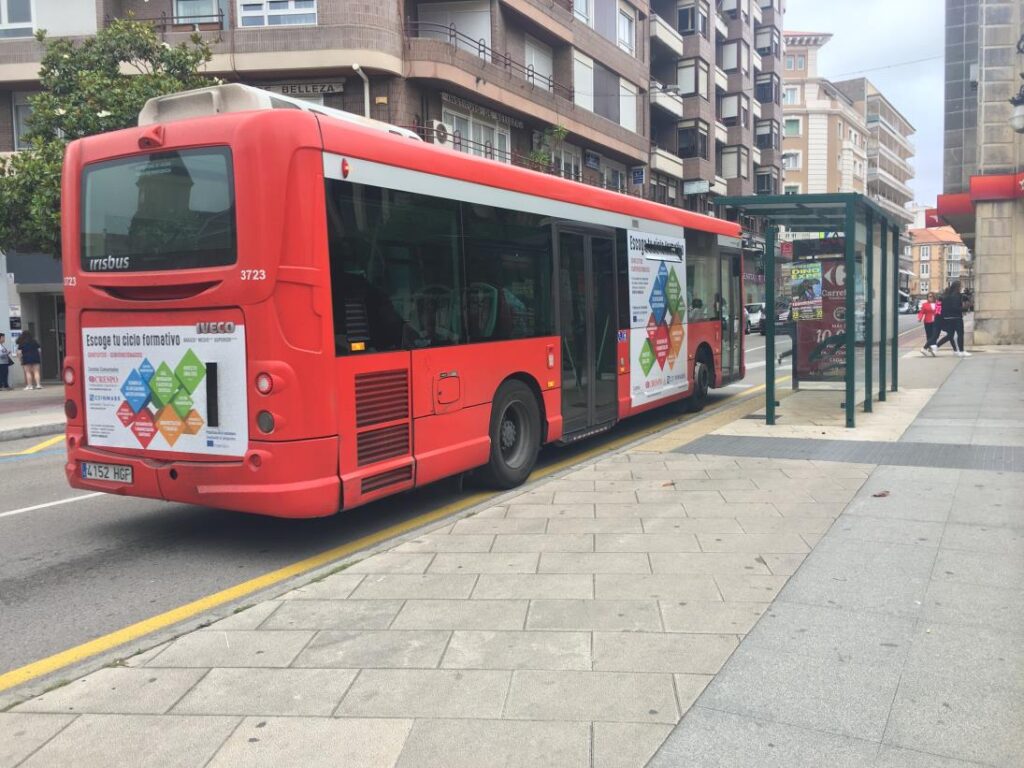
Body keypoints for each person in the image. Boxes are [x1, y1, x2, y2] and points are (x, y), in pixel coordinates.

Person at [936, 280, 970, 358]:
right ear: (957, 287)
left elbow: (944, 307)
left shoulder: (946, 295)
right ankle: (961, 351)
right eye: (960, 286)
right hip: (957, 318)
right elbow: (955, 308)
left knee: (950, 335)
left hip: (948, 318)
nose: (961, 287)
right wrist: (964, 308)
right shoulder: (957, 295)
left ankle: (935, 346)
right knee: (960, 334)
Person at [917, 292, 940, 357]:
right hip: (927, 322)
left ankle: (927, 348)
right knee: (929, 335)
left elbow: (939, 312)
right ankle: (931, 349)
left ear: (934, 297)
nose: (930, 298)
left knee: (935, 335)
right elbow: (921, 312)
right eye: (929, 296)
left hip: (935, 322)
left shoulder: (937, 303)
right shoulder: (924, 304)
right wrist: (919, 318)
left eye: (931, 296)